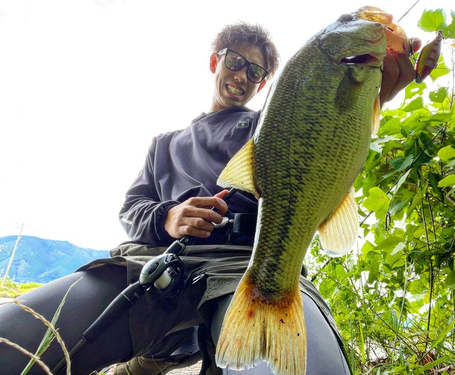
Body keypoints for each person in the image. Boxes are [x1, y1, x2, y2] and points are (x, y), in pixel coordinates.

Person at [0, 21, 420, 375]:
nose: (241, 75)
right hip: (149, 264)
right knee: (12, 344)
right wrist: (168, 217)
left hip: (247, 265)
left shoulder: (271, 124)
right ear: (215, 61)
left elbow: (325, 132)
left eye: (255, 72)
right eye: (235, 62)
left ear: (264, 84)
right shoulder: (163, 144)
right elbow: (131, 209)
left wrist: (375, 93)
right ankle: (152, 354)